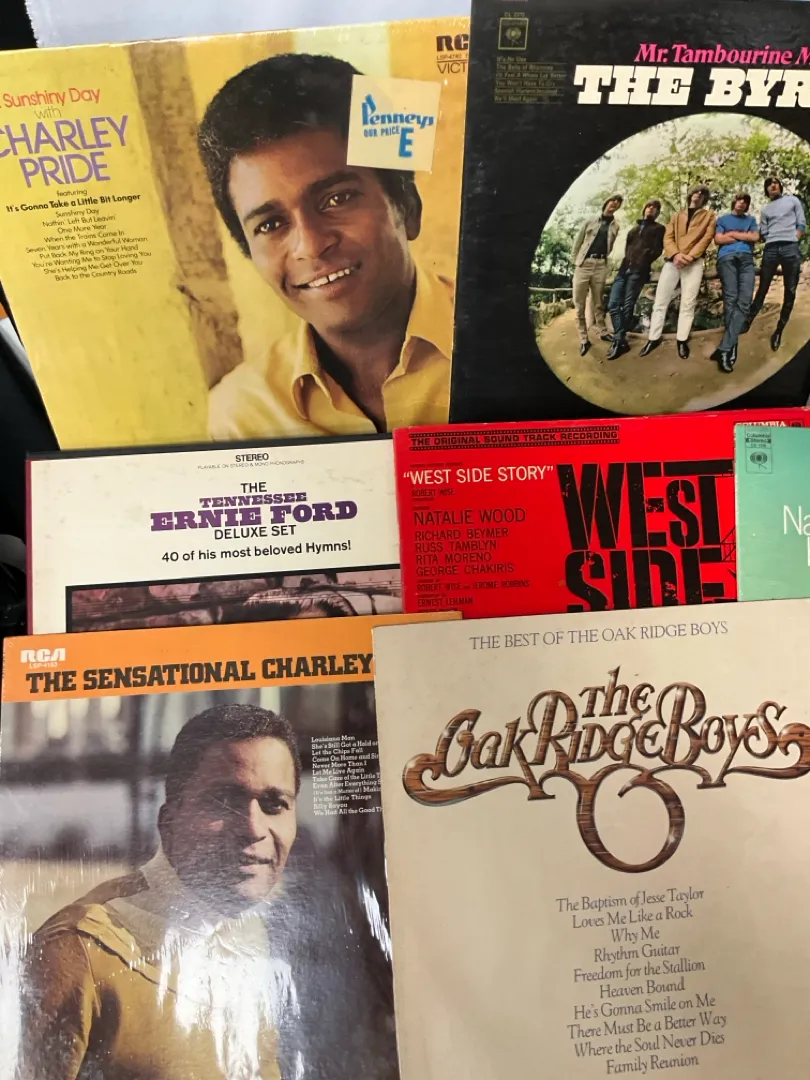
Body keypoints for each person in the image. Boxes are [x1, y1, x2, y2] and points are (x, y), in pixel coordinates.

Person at [20, 704, 301, 1079]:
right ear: (169, 822)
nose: (253, 828)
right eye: (224, 801)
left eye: (274, 804)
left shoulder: (249, 932)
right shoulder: (77, 950)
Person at [197, 54, 453, 438]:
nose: (312, 245)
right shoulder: (245, 415)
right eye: (271, 224)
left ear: (407, 207)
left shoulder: (509, 346)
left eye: (337, 199)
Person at [639, 185, 716, 360]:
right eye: (696, 192)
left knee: (688, 303)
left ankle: (682, 340)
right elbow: (668, 237)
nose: (698, 194)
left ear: (704, 198)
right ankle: (653, 338)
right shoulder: (677, 216)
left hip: (694, 263)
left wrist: (690, 256)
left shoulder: (709, 216)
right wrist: (675, 254)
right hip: (672, 262)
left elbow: (707, 237)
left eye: (702, 193)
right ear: (690, 195)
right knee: (660, 300)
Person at [742, 176, 805, 352]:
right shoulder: (766, 209)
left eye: (775, 183)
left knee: (790, 290)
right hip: (771, 249)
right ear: (766, 190)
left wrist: (794, 239)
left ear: (780, 186)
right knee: (762, 287)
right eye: (769, 184)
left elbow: (801, 223)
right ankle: (747, 322)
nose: (773, 185)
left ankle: (779, 330)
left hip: (790, 247)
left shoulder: (792, 201)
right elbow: (763, 230)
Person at [606, 199, 665, 360]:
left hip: (639, 271)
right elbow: (627, 250)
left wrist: (643, 260)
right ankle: (620, 339)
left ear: (657, 213)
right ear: (644, 209)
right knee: (613, 304)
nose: (651, 209)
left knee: (628, 305)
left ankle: (618, 342)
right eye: (649, 206)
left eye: (655, 208)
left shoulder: (659, 229)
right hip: (623, 270)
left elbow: (658, 250)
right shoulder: (633, 230)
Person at [571, 194, 623, 356]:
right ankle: (583, 339)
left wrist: (602, 260)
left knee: (598, 301)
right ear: (606, 203)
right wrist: (576, 261)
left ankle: (602, 331)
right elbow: (578, 242)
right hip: (584, 264)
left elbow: (610, 247)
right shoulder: (590, 221)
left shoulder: (616, 226)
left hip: (601, 264)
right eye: (613, 200)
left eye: (618, 203)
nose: (615, 204)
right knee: (579, 303)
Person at [713, 193, 759, 373]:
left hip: (746, 260)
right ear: (734, 202)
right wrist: (742, 235)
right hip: (727, 259)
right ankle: (729, 350)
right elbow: (718, 239)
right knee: (731, 300)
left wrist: (731, 234)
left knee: (745, 301)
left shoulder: (751, 220)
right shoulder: (723, 219)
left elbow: (755, 237)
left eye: (745, 201)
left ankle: (724, 348)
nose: (742, 203)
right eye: (740, 200)